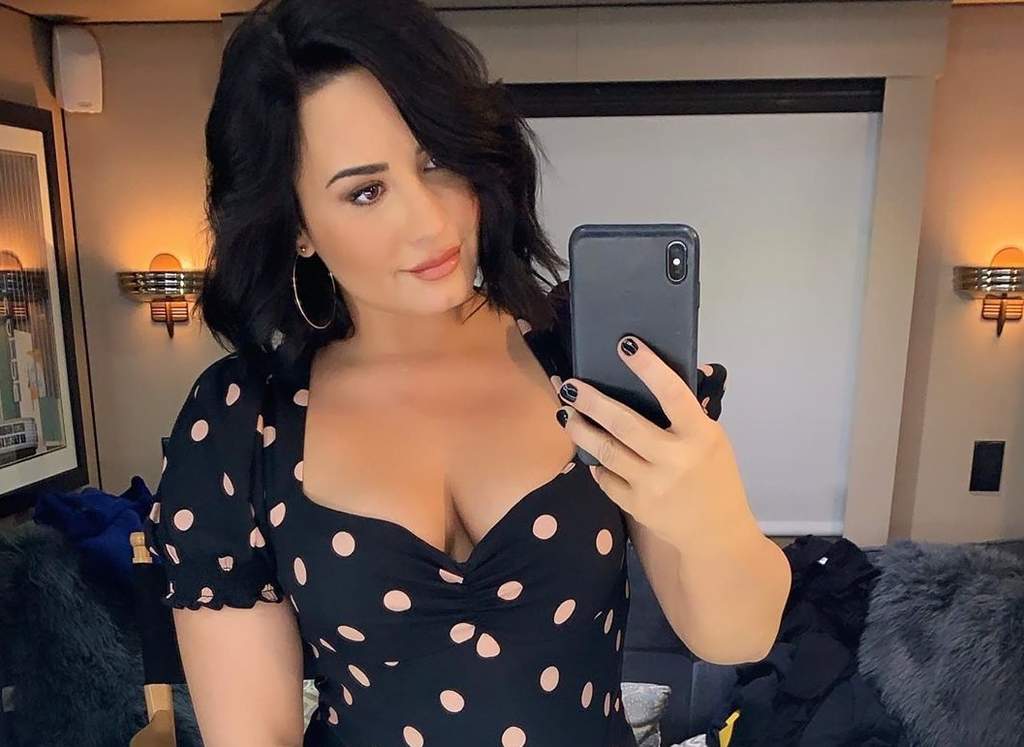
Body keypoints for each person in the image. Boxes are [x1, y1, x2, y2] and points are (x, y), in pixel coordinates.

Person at [142, 1, 790, 745]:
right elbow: (254, 736)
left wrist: (710, 512)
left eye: (437, 160)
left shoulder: (585, 356)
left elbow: (738, 635)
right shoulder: (241, 420)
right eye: (365, 191)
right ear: (296, 227)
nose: (430, 221)